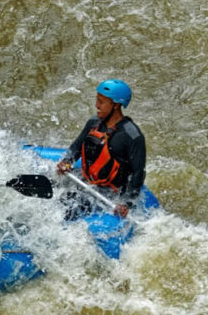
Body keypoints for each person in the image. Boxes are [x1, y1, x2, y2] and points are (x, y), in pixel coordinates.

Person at [56, 79, 146, 218]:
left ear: (115, 105)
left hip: (110, 191)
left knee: (69, 206)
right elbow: (76, 147)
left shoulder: (133, 136)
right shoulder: (94, 122)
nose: (97, 105)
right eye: (97, 100)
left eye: (101, 102)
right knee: (55, 190)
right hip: (87, 179)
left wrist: (127, 203)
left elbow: (138, 173)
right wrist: (67, 161)